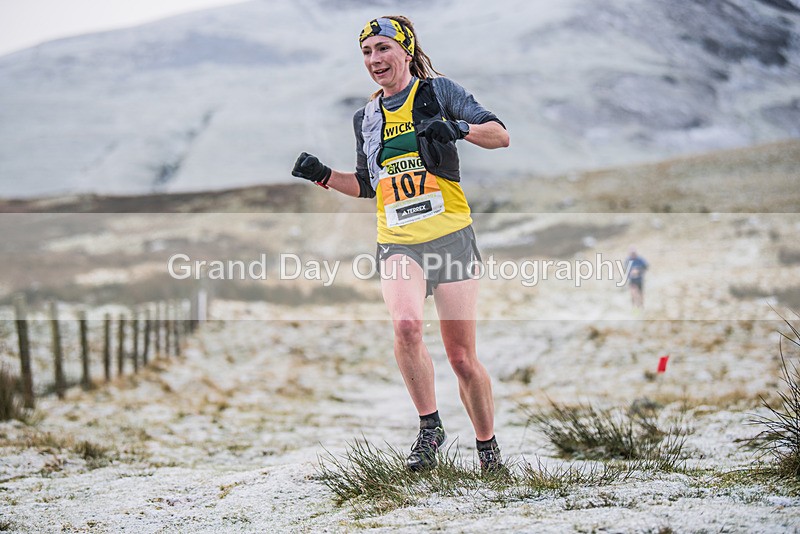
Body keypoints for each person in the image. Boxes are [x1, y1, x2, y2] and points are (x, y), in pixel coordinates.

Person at [291, 15, 509, 472]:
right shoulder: (367, 117)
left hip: (450, 237)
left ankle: (488, 450)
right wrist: (325, 176)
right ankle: (430, 429)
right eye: (367, 52)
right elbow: (368, 185)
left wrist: (458, 129)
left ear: (406, 50)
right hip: (397, 242)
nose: (375, 60)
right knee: (407, 326)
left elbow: (500, 135)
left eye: (383, 49)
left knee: (462, 357)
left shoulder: (439, 93)